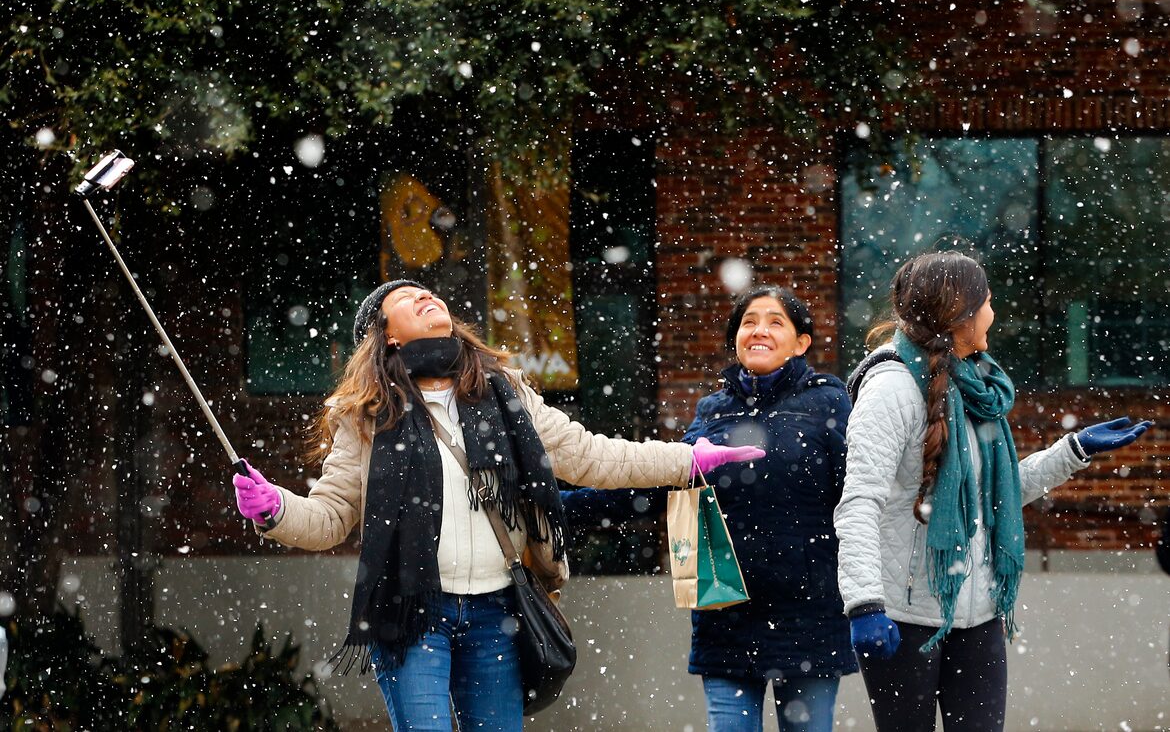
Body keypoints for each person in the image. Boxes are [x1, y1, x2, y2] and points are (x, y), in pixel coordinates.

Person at [231, 279, 763, 732]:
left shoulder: (503, 392)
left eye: (429, 293)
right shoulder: (369, 416)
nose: (425, 297)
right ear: (387, 335)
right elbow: (329, 518)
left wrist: (688, 460)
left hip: (497, 614)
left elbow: (588, 456)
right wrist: (274, 508)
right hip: (414, 614)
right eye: (408, 296)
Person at [834, 250, 1153, 732]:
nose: (993, 312)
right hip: (903, 614)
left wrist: (1073, 450)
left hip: (978, 611)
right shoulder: (892, 389)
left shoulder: (975, 385)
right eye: (986, 300)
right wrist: (864, 604)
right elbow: (859, 502)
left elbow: (991, 500)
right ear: (957, 311)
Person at [563, 286, 856, 732]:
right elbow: (665, 482)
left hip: (809, 615)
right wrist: (561, 506)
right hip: (726, 611)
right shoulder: (714, 413)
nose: (759, 330)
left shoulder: (829, 403)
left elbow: (857, 497)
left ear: (802, 343)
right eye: (749, 321)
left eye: (776, 321)